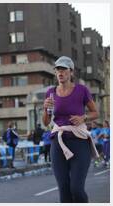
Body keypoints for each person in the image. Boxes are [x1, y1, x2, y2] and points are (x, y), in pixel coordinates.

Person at [42, 56, 99, 203]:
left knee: (77, 189)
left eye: (63, 69)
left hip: (79, 142)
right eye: (57, 70)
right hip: (58, 142)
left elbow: (95, 113)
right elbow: (46, 121)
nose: (60, 73)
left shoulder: (82, 90)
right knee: (64, 190)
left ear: (71, 72)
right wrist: (45, 109)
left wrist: (83, 118)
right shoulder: (51, 92)